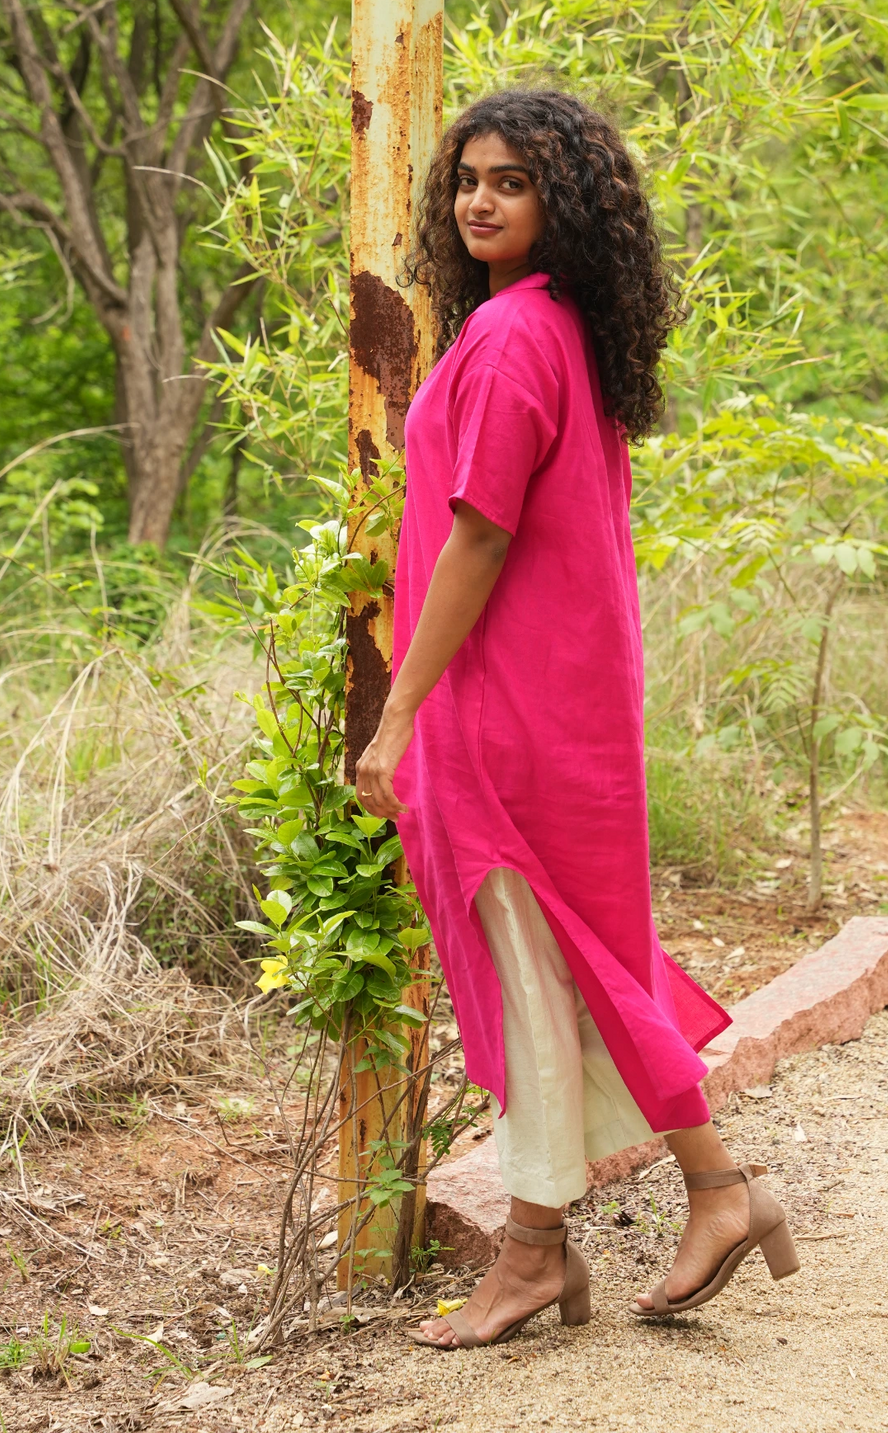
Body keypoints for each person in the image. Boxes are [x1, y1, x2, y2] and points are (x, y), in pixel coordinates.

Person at [355, 90, 799, 1349]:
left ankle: (541, 1253)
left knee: (532, 973)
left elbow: (480, 535)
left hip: (504, 711)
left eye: (512, 181)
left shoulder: (507, 339)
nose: (477, 201)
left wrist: (397, 716)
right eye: (467, 179)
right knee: (563, 962)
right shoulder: (555, 328)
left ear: (566, 203)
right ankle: (706, 1193)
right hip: (561, 701)